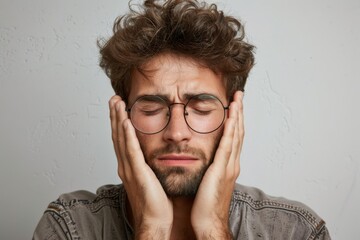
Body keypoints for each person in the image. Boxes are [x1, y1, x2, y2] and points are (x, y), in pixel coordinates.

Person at [33, 0, 331, 239]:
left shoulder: (297, 231)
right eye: (151, 108)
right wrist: (152, 229)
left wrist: (214, 229)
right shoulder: (69, 227)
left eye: (201, 108)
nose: (177, 133)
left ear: (233, 118)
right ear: (121, 117)